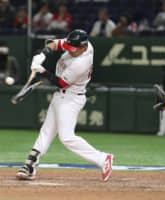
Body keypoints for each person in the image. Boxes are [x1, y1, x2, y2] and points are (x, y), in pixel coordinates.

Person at [16, 29, 114, 182]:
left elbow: (62, 82)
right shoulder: (77, 44)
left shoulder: (81, 63)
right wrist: (43, 54)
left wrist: (42, 70)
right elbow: (55, 44)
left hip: (71, 98)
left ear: (83, 47)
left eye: (75, 50)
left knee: (66, 137)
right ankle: (30, 165)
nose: (71, 51)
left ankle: (103, 159)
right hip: (60, 96)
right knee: (46, 131)